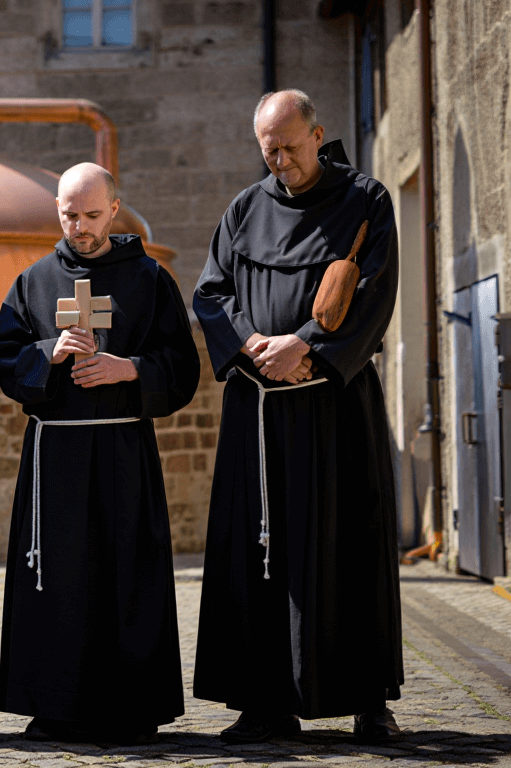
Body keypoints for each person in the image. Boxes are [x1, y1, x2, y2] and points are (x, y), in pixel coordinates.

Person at [193, 90, 403, 743]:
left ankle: (368, 700)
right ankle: (263, 701)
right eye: (268, 150)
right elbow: (211, 294)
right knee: (260, 552)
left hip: (336, 409)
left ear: (317, 135)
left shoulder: (367, 201)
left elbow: (374, 288)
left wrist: (308, 343)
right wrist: (256, 347)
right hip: (259, 409)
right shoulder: (243, 210)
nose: (279, 160)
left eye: (289, 146)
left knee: (351, 546)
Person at [0, 163, 199, 744]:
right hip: (54, 454)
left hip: (122, 449)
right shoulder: (32, 282)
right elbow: (5, 362)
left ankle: (134, 706)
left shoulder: (150, 280)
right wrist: (47, 354)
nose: (79, 227)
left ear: (113, 209)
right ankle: (53, 705)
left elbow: (182, 369)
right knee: (53, 577)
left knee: (127, 571)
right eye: (68, 214)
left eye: (89, 214)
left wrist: (128, 367)